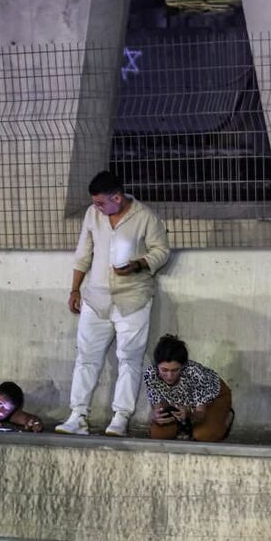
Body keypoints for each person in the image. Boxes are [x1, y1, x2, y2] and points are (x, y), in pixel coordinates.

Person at [56, 170, 170, 437]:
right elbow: (83, 253)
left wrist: (138, 265)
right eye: (95, 203)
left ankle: (121, 417)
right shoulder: (92, 215)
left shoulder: (146, 217)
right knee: (86, 358)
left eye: (101, 203)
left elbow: (161, 251)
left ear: (117, 197)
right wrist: (75, 289)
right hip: (96, 298)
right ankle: (78, 415)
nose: (96, 207)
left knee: (129, 359)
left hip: (133, 299)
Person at [145, 335, 233, 442]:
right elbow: (158, 407)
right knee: (158, 434)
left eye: (175, 370)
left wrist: (189, 415)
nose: (169, 376)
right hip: (183, 405)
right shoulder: (151, 374)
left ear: (183, 366)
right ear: (157, 366)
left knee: (203, 435)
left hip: (213, 399)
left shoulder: (195, 374)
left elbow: (200, 414)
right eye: (164, 370)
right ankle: (184, 427)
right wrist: (156, 416)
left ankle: (225, 419)